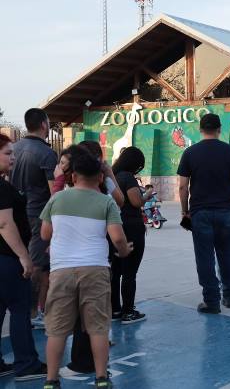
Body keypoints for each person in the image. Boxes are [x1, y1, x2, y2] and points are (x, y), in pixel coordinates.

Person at [40, 154, 133, 389]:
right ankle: (101, 378)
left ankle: (51, 381)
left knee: (57, 330)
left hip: (61, 270)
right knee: (98, 328)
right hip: (95, 269)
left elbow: (45, 234)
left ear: (73, 176)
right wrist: (124, 252)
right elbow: (118, 238)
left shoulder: (57, 199)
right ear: (100, 177)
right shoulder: (106, 202)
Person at [178, 114, 230, 313]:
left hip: (200, 212)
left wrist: (185, 210)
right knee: (227, 255)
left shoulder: (190, 153)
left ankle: (211, 301)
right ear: (219, 129)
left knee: (205, 257)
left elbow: (183, 187)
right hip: (224, 211)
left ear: (200, 129)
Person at [0, 134, 48, 382]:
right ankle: (27, 364)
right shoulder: (1, 188)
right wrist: (23, 256)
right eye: (8, 153)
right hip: (7, 258)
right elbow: (4, 223)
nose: (13, 158)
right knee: (20, 309)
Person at [9, 108, 58, 330]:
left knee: (22, 261)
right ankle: (32, 313)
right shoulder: (46, 153)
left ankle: (29, 310)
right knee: (38, 265)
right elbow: (55, 191)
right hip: (39, 217)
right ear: (44, 125)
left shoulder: (14, 149)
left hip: (16, 215)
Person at [111, 146, 152, 324]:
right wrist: (147, 195)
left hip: (115, 225)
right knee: (130, 272)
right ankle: (128, 311)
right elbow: (136, 202)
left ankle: (115, 309)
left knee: (116, 271)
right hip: (132, 227)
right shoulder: (128, 178)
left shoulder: (113, 177)